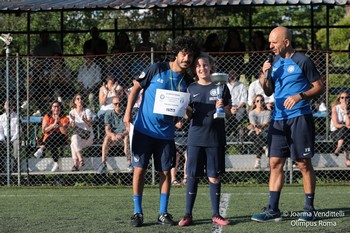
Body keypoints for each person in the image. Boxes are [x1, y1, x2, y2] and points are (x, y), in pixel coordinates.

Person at [123, 36, 200, 227]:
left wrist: (186, 111)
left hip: (166, 135)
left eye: (190, 55)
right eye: (184, 53)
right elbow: (135, 89)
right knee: (139, 170)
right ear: (176, 53)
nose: (186, 58)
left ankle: (163, 213)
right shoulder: (156, 68)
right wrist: (127, 115)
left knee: (165, 172)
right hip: (143, 129)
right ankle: (137, 212)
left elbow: (189, 114)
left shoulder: (188, 81)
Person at [251, 26, 325, 222]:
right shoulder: (273, 62)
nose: (270, 45)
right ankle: (272, 209)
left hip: (300, 117)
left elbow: (319, 86)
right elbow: (267, 92)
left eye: (274, 42)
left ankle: (309, 208)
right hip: (278, 119)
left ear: (286, 42)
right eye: (269, 41)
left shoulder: (303, 61)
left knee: (303, 163)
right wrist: (265, 75)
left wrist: (300, 96)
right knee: (275, 162)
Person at [178, 52, 231, 227]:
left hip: (215, 138)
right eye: (199, 66)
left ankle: (216, 214)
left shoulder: (221, 87)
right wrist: (185, 109)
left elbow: (229, 111)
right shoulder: (190, 88)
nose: (202, 68)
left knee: (214, 176)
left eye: (205, 65)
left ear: (211, 67)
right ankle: (187, 214)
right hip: (195, 138)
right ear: (195, 69)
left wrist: (223, 107)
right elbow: (188, 116)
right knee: (192, 176)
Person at [97, 96, 132, 174]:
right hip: (113, 135)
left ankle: (129, 163)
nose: (118, 106)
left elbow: (128, 129)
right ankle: (103, 163)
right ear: (112, 105)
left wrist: (122, 134)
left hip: (124, 134)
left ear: (122, 104)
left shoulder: (126, 114)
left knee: (126, 139)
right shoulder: (109, 114)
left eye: (119, 104)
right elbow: (107, 129)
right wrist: (112, 135)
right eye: (115, 104)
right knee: (106, 139)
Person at [33, 101, 69, 172]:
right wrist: (53, 125)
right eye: (54, 106)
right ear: (51, 108)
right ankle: (56, 163)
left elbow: (64, 132)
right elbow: (44, 130)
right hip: (49, 140)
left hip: (61, 139)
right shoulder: (47, 116)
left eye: (58, 106)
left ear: (60, 108)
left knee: (55, 134)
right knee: (53, 140)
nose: (56, 108)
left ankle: (42, 148)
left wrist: (59, 123)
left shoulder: (64, 117)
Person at [69, 94, 94, 171]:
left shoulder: (87, 111)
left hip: (88, 136)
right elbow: (72, 126)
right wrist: (73, 120)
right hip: (78, 137)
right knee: (74, 139)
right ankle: (80, 160)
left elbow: (90, 125)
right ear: (75, 102)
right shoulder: (72, 112)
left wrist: (85, 120)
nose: (80, 100)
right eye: (78, 99)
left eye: (81, 98)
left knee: (73, 143)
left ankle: (76, 164)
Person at [247, 94, 271, 169]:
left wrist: (259, 127)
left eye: (261, 100)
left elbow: (266, 124)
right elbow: (253, 124)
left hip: (264, 131)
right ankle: (265, 147)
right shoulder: (252, 113)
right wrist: (257, 128)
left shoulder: (267, 112)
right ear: (255, 103)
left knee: (258, 139)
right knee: (256, 135)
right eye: (258, 101)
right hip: (254, 132)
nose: (260, 102)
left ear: (264, 102)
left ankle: (258, 161)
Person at [330, 92, 350, 167]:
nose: (344, 99)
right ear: (339, 99)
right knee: (344, 129)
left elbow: (348, 123)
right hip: (335, 132)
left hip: (346, 133)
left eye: (346, 97)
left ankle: (338, 148)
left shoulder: (349, 109)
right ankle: (347, 160)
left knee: (345, 132)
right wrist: (345, 126)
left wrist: (345, 111)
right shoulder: (335, 108)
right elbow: (336, 124)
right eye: (342, 97)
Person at [226, 69, 247, 138]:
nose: (232, 76)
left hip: (239, 106)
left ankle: (230, 130)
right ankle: (234, 131)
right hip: (228, 106)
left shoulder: (241, 85)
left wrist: (237, 107)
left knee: (242, 112)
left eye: (234, 74)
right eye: (230, 74)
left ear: (237, 75)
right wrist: (230, 107)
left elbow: (244, 99)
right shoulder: (225, 85)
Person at [0, 100, 20, 170]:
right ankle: (1, 166)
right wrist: (3, 140)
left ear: (13, 107)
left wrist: (11, 140)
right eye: (6, 105)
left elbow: (18, 132)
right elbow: (0, 131)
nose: (8, 107)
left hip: (14, 137)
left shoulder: (17, 117)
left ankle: (15, 165)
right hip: (4, 137)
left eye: (10, 105)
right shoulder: (1, 117)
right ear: (4, 106)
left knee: (17, 143)